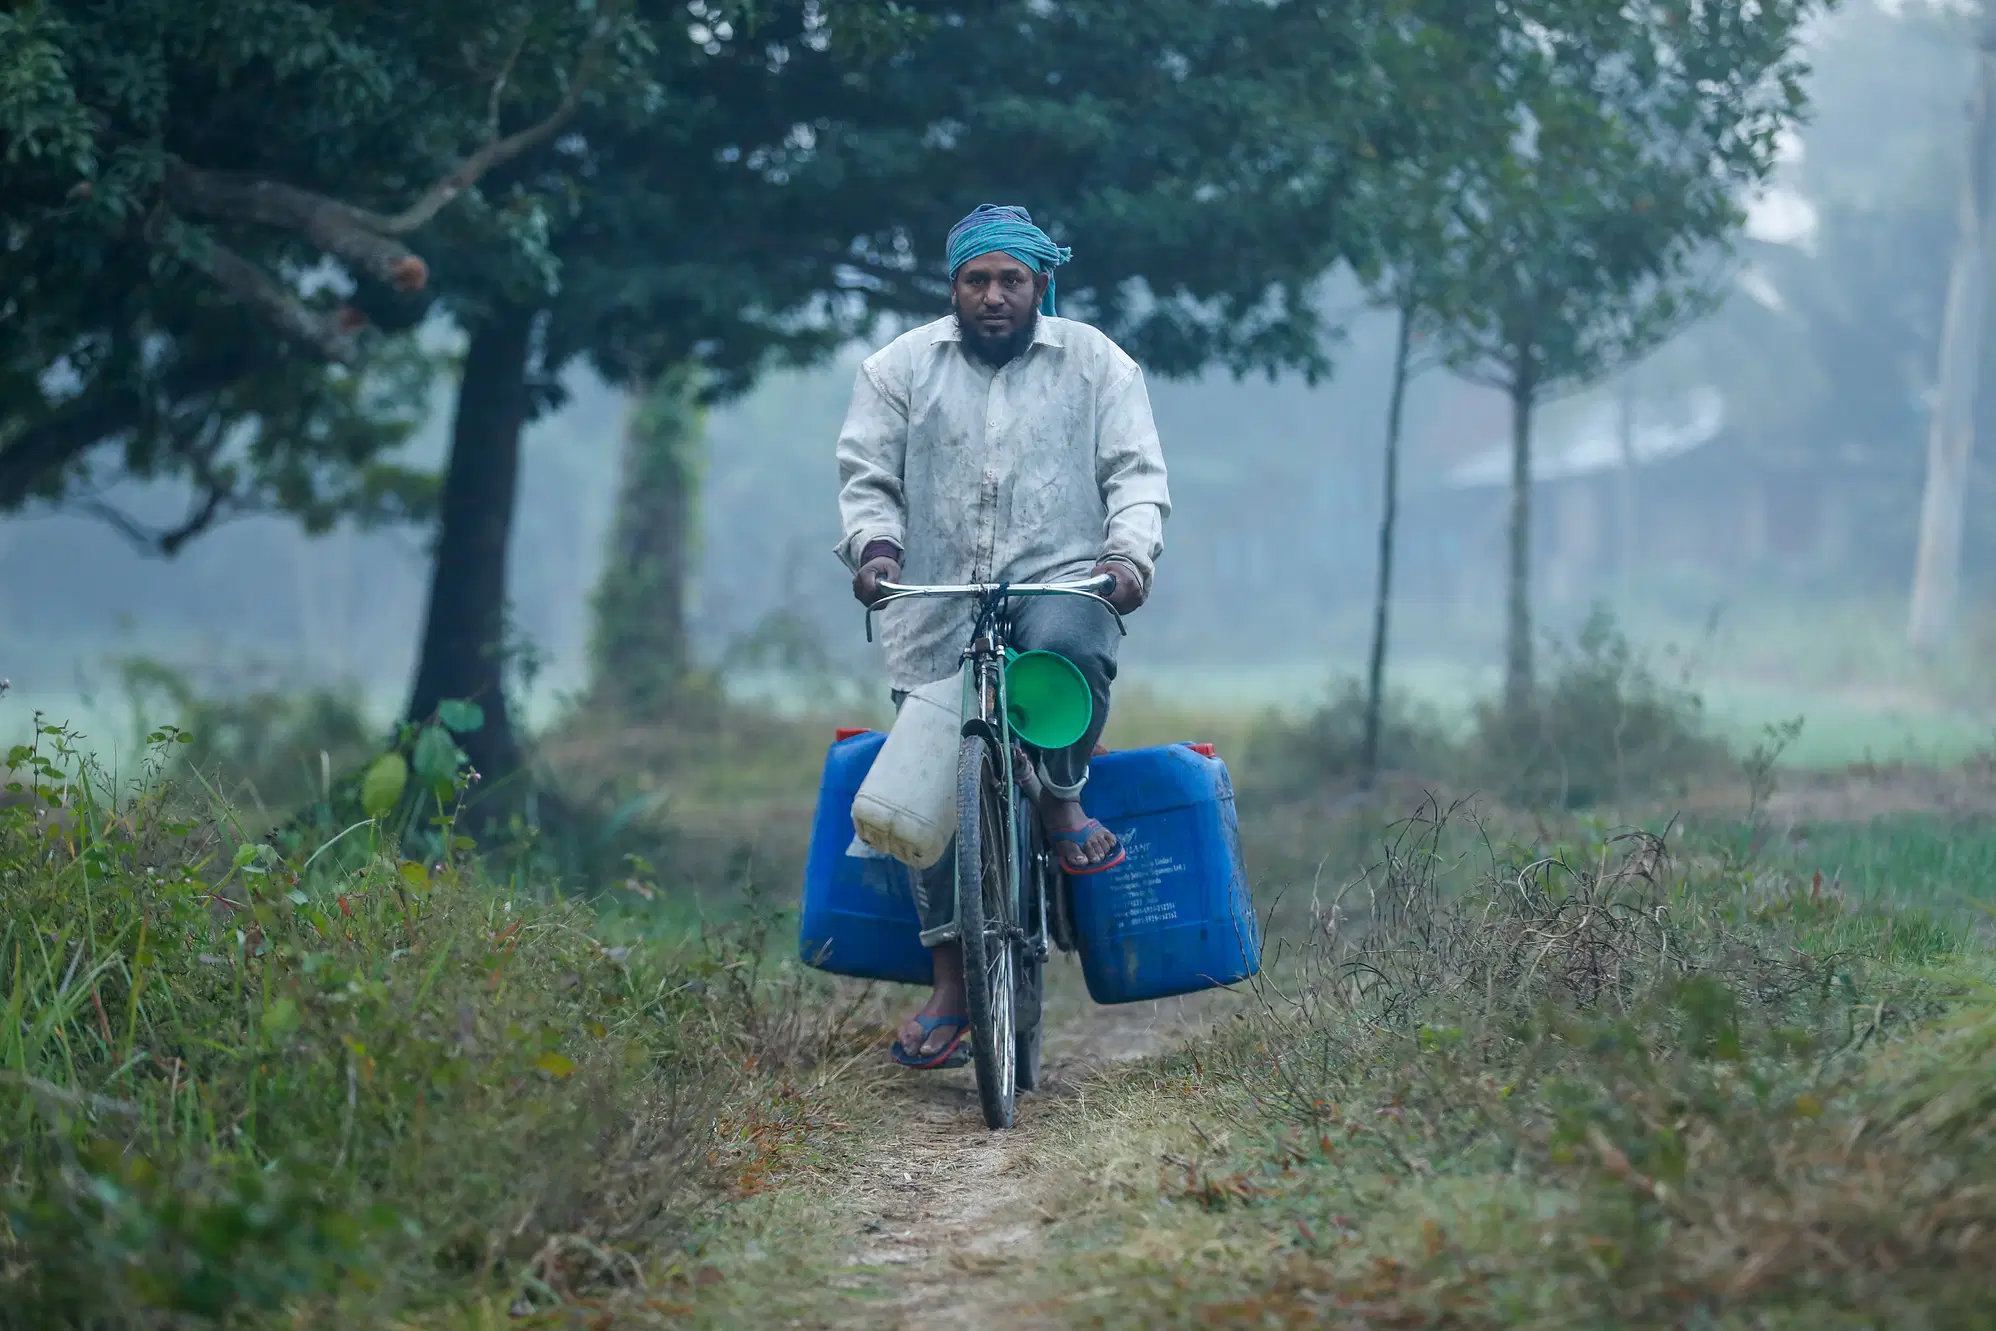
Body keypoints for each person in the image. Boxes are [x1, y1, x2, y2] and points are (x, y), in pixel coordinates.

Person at [834, 204, 1171, 1069]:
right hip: (935, 596)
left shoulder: (1097, 364)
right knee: (930, 778)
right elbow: (867, 476)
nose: (993, 297)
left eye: (1010, 281)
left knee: (1074, 645)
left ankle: (1060, 793)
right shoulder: (897, 368)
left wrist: (1128, 558)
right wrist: (874, 550)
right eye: (976, 281)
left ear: (1039, 286)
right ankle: (951, 980)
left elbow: (1136, 474)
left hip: (1060, 580)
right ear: (953, 288)